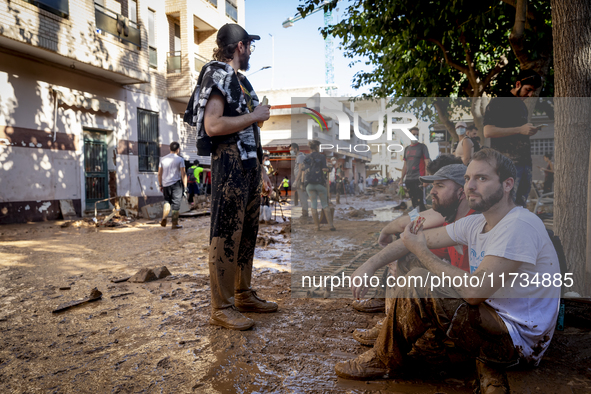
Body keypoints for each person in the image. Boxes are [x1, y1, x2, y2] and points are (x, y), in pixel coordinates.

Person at [335, 149, 560, 384]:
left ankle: (384, 360)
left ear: (507, 184)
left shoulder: (519, 224)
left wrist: (421, 251)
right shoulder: (476, 222)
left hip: (516, 344)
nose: (470, 186)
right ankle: (393, 337)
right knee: (415, 267)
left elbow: (474, 292)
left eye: (482, 178)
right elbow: (413, 239)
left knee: (420, 280)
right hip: (491, 318)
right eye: (467, 178)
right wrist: (368, 266)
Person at [184, 23, 277, 331]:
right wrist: (255, 116)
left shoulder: (241, 81)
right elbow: (213, 125)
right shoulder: (217, 74)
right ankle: (221, 307)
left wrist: (261, 170)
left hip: (248, 165)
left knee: (247, 231)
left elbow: (247, 130)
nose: (251, 52)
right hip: (229, 163)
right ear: (240, 47)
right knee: (226, 232)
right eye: (250, 46)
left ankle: (242, 293)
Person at [350, 163, 476, 345]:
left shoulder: (467, 219)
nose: (431, 191)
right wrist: (369, 265)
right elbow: (410, 235)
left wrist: (385, 234)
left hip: (471, 304)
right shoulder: (451, 217)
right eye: (432, 185)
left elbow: (408, 223)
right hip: (463, 291)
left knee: (416, 275)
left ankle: (391, 339)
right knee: (407, 256)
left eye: (439, 185)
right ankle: (393, 317)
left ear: (461, 192)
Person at [483, 69, 543, 207]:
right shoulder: (499, 102)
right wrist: (520, 129)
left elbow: (518, 132)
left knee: (520, 205)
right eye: (527, 89)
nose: (529, 94)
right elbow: (488, 131)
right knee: (505, 205)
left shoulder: (522, 106)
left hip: (525, 162)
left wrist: (528, 130)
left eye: (532, 91)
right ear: (518, 84)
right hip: (506, 164)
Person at [304, 140, 336, 231]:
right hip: (320, 184)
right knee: (325, 204)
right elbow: (324, 169)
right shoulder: (321, 157)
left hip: (309, 185)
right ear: (317, 147)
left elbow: (305, 171)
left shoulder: (307, 157)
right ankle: (330, 226)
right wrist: (329, 170)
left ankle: (316, 227)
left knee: (313, 204)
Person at [400, 126, 430, 211]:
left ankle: (425, 222)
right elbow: (405, 165)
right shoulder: (406, 149)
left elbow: (427, 162)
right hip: (409, 180)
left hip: (419, 179)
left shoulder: (422, 147)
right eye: (413, 134)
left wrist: (426, 178)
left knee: (421, 203)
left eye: (417, 134)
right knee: (413, 202)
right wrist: (401, 179)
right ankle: (415, 221)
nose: (415, 136)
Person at [158, 142, 187, 229]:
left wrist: (160, 185)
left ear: (169, 148)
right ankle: (174, 224)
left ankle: (164, 217)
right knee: (176, 203)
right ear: (178, 149)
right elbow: (183, 174)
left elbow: (159, 174)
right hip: (176, 184)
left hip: (166, 184)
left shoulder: (162, 159)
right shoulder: (180, 159)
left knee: (167, 201)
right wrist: (185, 187)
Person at [291, 143, 310, 221]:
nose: (290, 151)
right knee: (302, 197)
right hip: (301, 179)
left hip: (301, 180)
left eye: (291, 149)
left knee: (303, 197)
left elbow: (300, 170)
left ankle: (305, 214)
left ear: (295, 149)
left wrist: (296, 181)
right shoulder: (300, 156)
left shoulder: (300, 157)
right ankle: (305, 213)